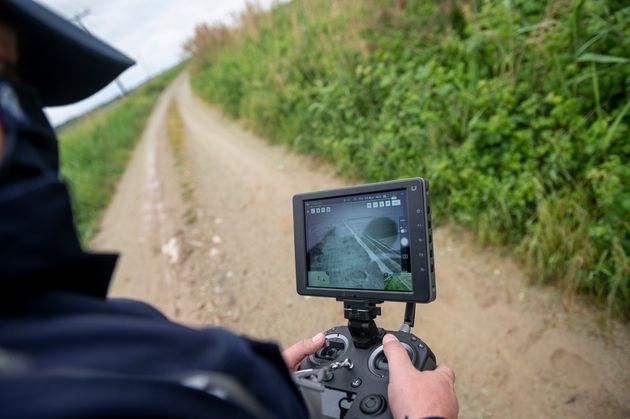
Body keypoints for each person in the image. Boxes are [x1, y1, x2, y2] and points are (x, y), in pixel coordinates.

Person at [0, 1, 459, 418]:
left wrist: (261, 385)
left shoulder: (64, 348)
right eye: (6, 77)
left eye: (14, 77)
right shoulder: (185, 376)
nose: (21, 107)